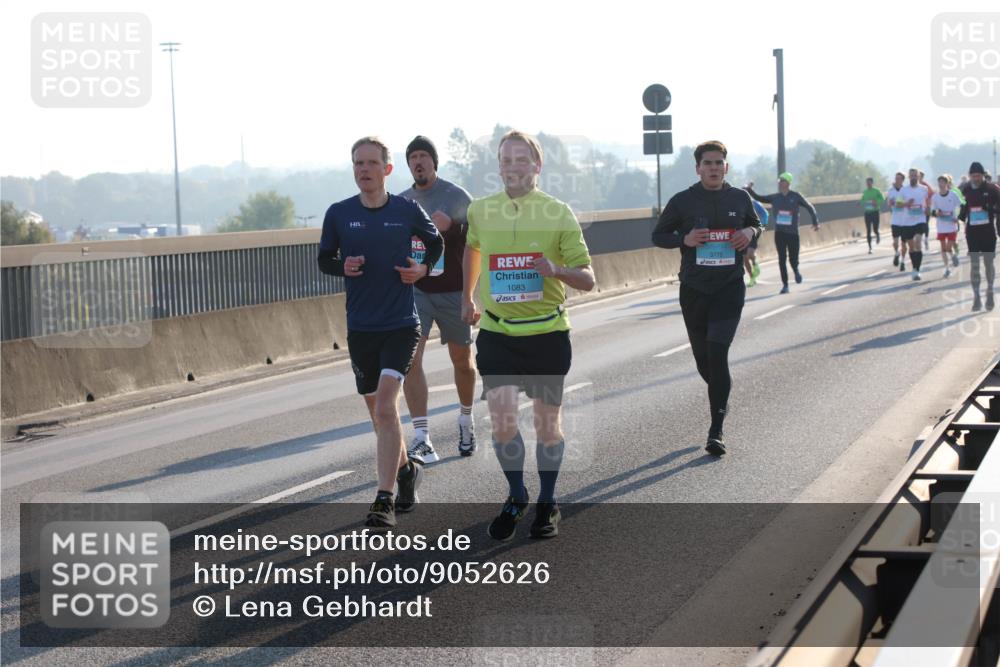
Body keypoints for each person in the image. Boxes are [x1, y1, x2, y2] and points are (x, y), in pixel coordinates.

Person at [462, 130, 595, 540]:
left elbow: (588, 278)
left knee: (546, 425)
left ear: (538, 166)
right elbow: (473, 248)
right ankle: (517, 494)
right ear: (498, 166)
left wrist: (557, 270)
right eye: (506, 160)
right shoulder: (481, 210)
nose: (513, 167)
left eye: (522, 159)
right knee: (502, 421)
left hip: (546, 334)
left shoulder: (558, 212)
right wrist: (467, 295)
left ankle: (548, 502)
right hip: (497, 333)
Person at [317, 136, 443, 528]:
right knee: (379, 416)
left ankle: (383, 499)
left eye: (372, 163)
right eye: (358, 163)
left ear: (387, 169)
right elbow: (324, 259)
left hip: (401, 325)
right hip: (361, 328)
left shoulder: (406, 210)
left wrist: (422, 270)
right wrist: (343, 266)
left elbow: (435, 242)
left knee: (387, 407)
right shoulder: (339, 213)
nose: (364, 170)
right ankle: (406, 472)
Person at [653, 140, 762, 456]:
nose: (714, 168)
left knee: (717, 353)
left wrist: (750, 233)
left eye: (718, 163)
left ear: (726, 167)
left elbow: (756, 224)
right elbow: (658, 236)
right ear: (698, 168)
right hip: (694, 290)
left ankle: (716, 430)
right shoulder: (682, 201)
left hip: (729, 287)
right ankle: (721, 395)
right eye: (708, 163)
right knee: (704, 362)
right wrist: (684, 239)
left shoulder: (739, 197)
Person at [397, 136, 478, 463]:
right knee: (411, 360)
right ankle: (422, 437)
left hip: (453, 290)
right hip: (417, 291)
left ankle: (466, 419)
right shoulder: (402, 202)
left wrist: (454, 227)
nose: (418, 162)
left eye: (423, 156)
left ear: (434, 162)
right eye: (413, 157)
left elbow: (478, 242)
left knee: (462, 360)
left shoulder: (456, 196)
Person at [746, 172, 818, 293]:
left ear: (788, 183)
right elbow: (760, 198)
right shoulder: (775, 198)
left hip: (793, 233)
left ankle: (795, 270)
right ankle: (785, 285)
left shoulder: (796, 196)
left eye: (782, 181)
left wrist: (815, 221)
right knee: (782, 259)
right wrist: (749, 190)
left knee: (793, 258)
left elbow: (809, 207)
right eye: (779, 181)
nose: (780, 183)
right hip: (780, 233)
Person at [958, 161, 1000, 311]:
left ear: (983, 175)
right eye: (973, 176)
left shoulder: (992, 189)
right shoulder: (965, 189)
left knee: (988, 263)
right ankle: (976, 297)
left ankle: (990, 291)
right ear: (970, 176)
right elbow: (962, 208)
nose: (976, 178)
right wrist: (961, 215)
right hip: (972, 233)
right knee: (974, 264)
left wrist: (989, 209)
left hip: (988, 232)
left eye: (978, 176)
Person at [897, 168, 931, 280]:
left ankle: (917, 270)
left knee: (918, 243)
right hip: (907, 222)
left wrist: (928, 208)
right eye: (911, 176)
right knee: (911, 248)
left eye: (915, 175)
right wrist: (906, 203)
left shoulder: (924, 189)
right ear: (909, 177)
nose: (913, 177)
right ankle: (914, 268)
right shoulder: (903, 190)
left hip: (920, 220)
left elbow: (928, 202)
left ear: (918, 176)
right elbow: (898, 204)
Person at [931, 174, 962, 278]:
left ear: (947, 183)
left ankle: (953, 255)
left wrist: (957, 217)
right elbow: (933, 211)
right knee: (943, 248)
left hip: (951, 225)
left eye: (943, 182)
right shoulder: (935, 197)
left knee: (949, 247)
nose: (941, 184)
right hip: (941, 226)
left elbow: (959, 206)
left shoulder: (953, 195)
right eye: (939, 182)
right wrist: (936, 213)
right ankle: (947, 269)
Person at [886, 172, 909, 271]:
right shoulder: (891, 190)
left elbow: (909, 203)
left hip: (905, 221)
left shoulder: (906, 190)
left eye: (899, 178)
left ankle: (903, 262)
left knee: (904, 243)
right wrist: (890, 203)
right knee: (895, 242)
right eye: (896, 178)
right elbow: (889, 203)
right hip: (895, 220)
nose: (897, 180)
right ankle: (896, 253)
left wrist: (901, 203)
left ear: (902, 180)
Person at [743, 197, 768, 286]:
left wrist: (763, 226)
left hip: (753, 231)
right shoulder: (736, 202)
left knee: (750, 254)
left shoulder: (754, 203)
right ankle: (752, 278)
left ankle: (754, 263)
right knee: (744, 258)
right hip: (742, 232)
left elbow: (765, 214)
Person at [860, 177, 884, 254]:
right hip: (867, 213)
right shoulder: (865, 192)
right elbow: (863, 199)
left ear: (872, 183)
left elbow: (882, 199)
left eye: (869, 183)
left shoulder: (876, 191)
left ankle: (877, 234)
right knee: (868, 230)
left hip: (875, 212)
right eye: (867, 183)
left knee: (875, 229)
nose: (868, 184)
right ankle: (870, 248)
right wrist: (859, 202)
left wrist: (876, 202)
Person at [919, 170, 934, 251]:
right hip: (917, 209)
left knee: (925, 224)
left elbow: (932, 194)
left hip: (926, 208)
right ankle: (919, 239)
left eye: (920, 177)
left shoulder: (926, 185)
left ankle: (926, 238)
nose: (919, 178)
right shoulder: (912, 186)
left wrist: (928, 205)